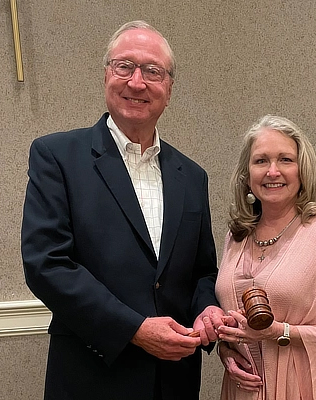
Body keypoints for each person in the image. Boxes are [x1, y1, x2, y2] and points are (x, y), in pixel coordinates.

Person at [21, 20, 224, 400]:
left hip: (174, 382)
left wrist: (207, 307)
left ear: (169, 88)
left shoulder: (192, 176)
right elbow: (47, 265)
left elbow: (202, 271)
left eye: (152, 71)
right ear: (105, 75)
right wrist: (135, 330)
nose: (137, 82)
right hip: (92, 378)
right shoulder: (57, 157)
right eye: (124, 66)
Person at [212, 115, 316, 399]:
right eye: (261, 161)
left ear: (302, 170)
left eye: (285, 159)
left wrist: (278, 332)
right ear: (247, 175)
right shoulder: (237, 237)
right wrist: (226, 348)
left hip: (298, 389)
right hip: (241, 390)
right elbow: (231, 315)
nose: (273, 171)